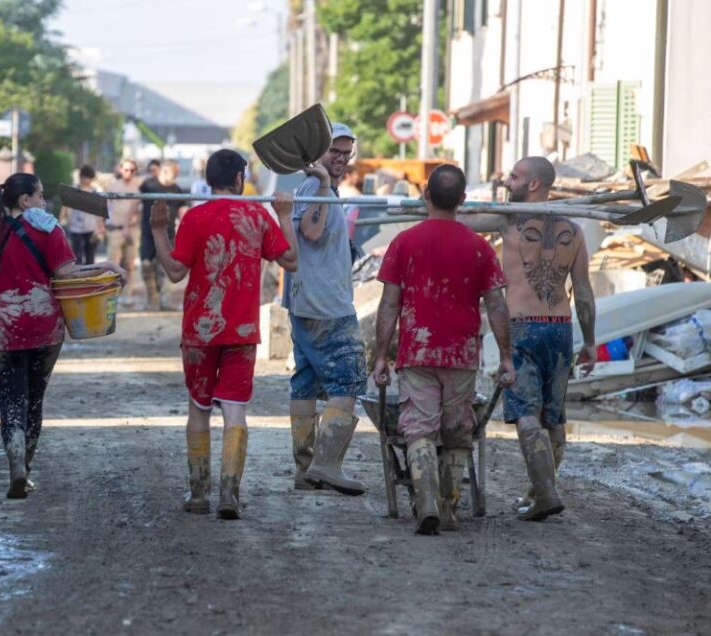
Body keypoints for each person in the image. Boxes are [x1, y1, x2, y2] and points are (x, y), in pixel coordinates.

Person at [0, 173, 124, 499]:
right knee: (34, 399)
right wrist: (106, 266)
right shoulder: (49, 229)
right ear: (24, 200)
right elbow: (67, 274)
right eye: (40, 196)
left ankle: (15, 464)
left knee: (10, 400)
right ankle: (26, 468)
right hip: (45, 329)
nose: (44, 203)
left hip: (4, 329)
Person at [149, 149, 299, 519]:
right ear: (238, 179)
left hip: (200, 331)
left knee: (199, 408)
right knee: (235, 411)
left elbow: (173, 272)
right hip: (243, 331)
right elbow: (291, 259)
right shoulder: (258, 215)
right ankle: (230, 494)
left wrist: (157, 229)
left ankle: (199, 495)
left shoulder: (195, 217)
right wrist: (283, 215)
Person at [371, 165, 516, 535]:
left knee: (418, 429)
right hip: (460, 353)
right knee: (456, 430)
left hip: (417, 351)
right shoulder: (480, 247)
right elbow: (497, 305)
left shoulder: (404, 242)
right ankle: (449, 510)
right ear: (463, 201)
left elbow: (389, 304)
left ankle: (426, 504)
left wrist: (379, 357)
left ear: (426, 196)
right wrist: (506, 356)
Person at [461, 156, 597, 521]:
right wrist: (589, 341)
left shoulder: (509, 221)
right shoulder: (573, 228)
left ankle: (547, 494)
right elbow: (583, 292)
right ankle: (539, 490)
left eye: (515, 177)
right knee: (553, 416)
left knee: (525, 412)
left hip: (523, 327)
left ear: (534, 184)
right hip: (559, 329)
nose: (507, 181)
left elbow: (459, 220)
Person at [283, 122, 368, 496]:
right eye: (335, 150)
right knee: (348, 379)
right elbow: (312, 234)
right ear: (319, 150)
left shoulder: (326, 188)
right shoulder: (312, 187)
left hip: (306, 301)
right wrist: (319, 185)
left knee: (305, 382)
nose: (340, 158)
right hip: (325, 306)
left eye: (346, 152)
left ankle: (305, 470)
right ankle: (326, 465)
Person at [139, 160, 185, 310]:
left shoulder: (177, 189)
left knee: (164, 269)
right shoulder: (148, 185)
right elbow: (135, 202)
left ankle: (164, 300)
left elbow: (182, 210)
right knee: (146, 265)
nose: (175, 177)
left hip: (168, 234)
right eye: (174, 174)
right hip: (148, 233)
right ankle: (152, 299)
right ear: (165, 171)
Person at [106, 159, 142, 304]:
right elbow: (104, 207)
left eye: (132, 170)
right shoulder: (113, 186)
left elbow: (141, 209)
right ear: (121, 170)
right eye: (126, 169)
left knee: (130, 264)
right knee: (113, 264)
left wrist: (133, 221)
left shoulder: (138, 187)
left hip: (132, 229)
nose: (129, 173)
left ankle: (129, 294)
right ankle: (112, 295)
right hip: (115, 229)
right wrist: (101, 226)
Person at [61, 165, 104, 265]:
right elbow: (65, 207)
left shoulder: (95, 191)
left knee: (90, 256)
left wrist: (100, 227)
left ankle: (89, 279)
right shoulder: (73, 190)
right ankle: (79, 278)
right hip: (76, 228)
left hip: (91, 228)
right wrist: (62, 220)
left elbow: (100, 211)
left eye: (89, 177)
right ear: (81, 177)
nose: (87, 180)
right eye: (85, 177)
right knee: (77, 256)